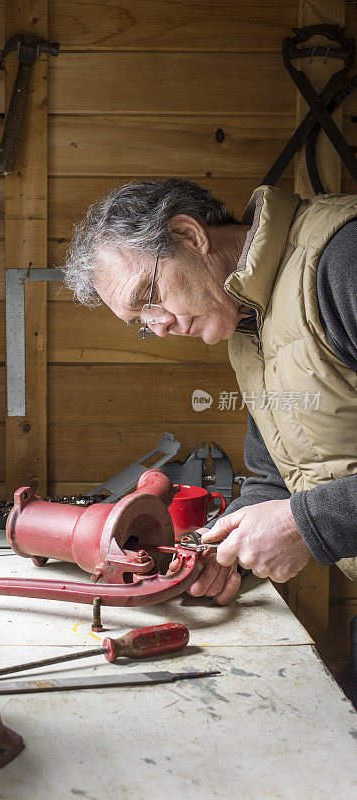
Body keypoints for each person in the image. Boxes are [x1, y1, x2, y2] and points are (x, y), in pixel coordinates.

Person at [62, 179, 357, 605]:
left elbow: (299, 511)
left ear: (189, 236)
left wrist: (304, 525)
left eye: (149, 296)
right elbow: (277, 477)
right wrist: (220, 545)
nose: (158, 326)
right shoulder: (246, 318)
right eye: (142, 321)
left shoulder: (341, 260)